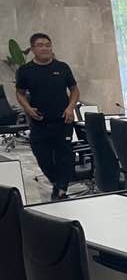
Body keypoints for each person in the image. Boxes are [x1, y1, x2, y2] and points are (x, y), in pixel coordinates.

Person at [15, 32, 79, 199]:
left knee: (65, 157)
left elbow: (74, 90)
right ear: (33, 49)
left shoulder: (62, 67)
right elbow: (20, 93)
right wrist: (28, 108)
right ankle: (58, 184)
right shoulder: (25, 70)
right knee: (43, 157)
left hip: (63, 121)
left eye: (48, 45)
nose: (45, 48)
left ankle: (61, 190)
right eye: (40, 45)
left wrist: (70, 108)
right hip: (39, 122)